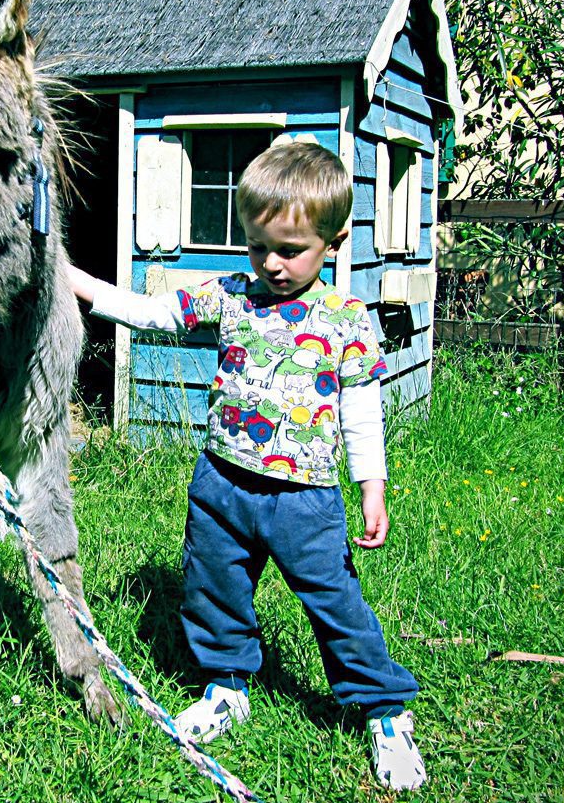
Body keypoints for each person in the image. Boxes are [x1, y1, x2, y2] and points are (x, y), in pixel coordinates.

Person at [68, 141, 426, 792]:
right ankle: (227, 686)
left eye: (291, 251)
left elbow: (363, 410)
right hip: (221, 485)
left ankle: (384, 711)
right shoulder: (231, 296)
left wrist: (372, 487)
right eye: (259, 247)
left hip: (305, 501)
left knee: (336, 604)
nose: (272, 264)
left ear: (335, 239)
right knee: (213, 591)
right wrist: (85, 285)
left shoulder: (345, 319)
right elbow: (156, 315)